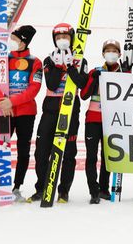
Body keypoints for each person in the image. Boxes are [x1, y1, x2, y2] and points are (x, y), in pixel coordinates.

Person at [0, 25, 42, 205]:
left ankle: (16, 188)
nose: (11, 42)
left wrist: (12, 102)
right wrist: (1, 101)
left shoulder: (35, 62)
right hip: (4, 113)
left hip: (25, 113)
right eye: (11, 38)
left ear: (24, 42)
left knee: (23, 151)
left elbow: (34, 89)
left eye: (15, 39)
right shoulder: (1, 60)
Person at [28, 23, 88, 203]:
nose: (62, 41)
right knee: (41, 150)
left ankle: (64, 190)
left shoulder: (81, 60)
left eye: (66, 37)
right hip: (51, 108)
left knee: (69, 152)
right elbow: (52, 84)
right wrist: (57, 65)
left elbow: (82, 84)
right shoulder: (48, 59)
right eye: (59, 38)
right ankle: (42, 188)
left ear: (72, 38)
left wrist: (70, 66)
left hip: (70, 108)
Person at [81, 39, 127, 204]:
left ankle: (103, 189)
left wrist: (127, 75)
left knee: (108, 157)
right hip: (93, 119)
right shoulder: (96, 70)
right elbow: (84, 95)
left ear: (119, 54)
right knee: (91, 157)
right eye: (108, 50)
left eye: (114, 51)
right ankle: (93, 191)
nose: (111, 53)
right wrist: (93, 78)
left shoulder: (123, 72)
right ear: (103, 53)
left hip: (113, 121)